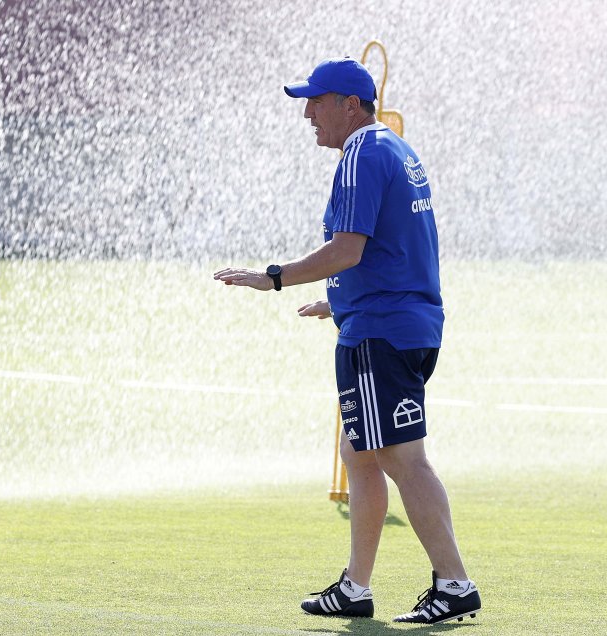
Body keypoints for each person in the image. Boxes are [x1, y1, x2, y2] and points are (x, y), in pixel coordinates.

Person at [213, 57, 481, 625]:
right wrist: (339, 299)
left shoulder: (363, 153)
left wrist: (275, 276)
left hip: (381, 333)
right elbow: (396, 249)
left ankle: (455, 583)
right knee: (359, 454)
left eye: (317, 100)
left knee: (404, 460)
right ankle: (356, 588)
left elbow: (349, 249)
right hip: (395, 323)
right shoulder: (395, 150)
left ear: (350, 105)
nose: (308, 113)